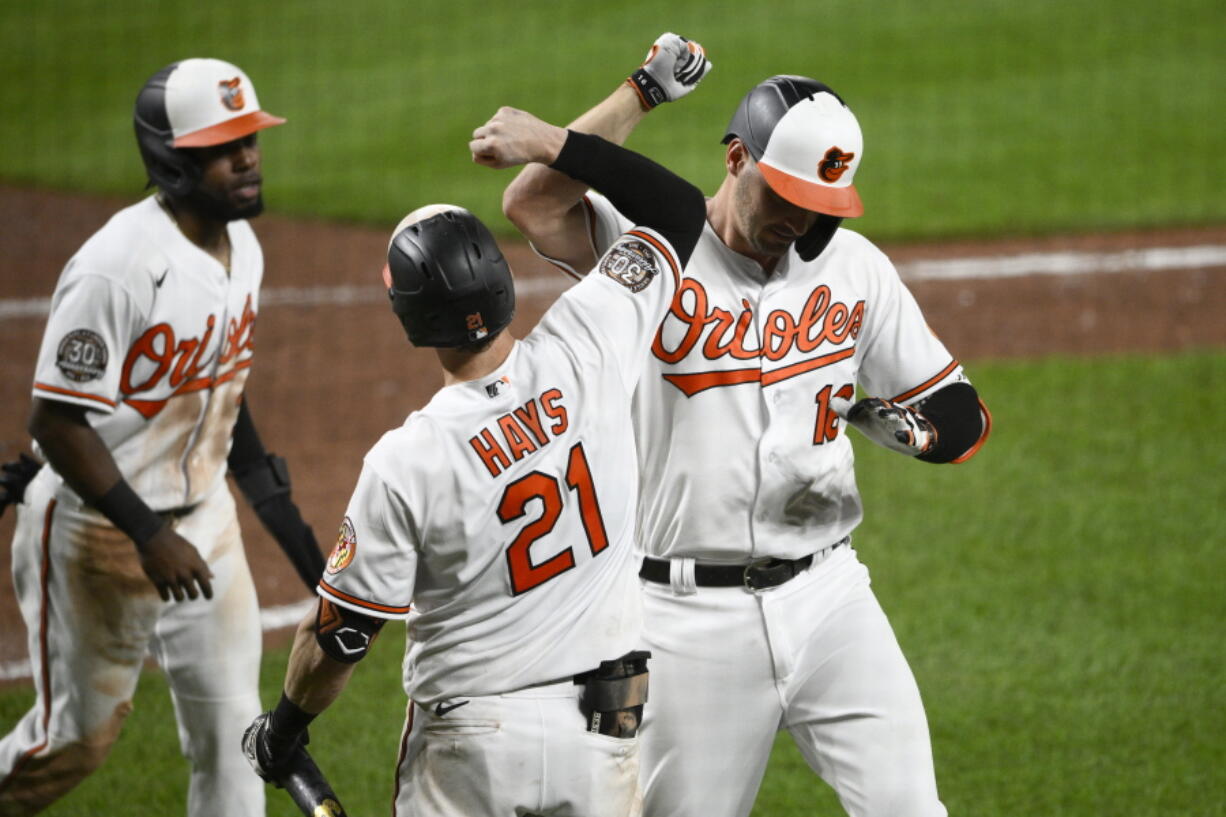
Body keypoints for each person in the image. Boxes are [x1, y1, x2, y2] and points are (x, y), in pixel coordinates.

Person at [501, 34, 991, 817]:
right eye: (786, 194)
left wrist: (921, 433)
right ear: (736, 158)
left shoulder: (853, 269)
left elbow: (960, 407)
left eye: (820, 205)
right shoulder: (653, 254)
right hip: (685, 619)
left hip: (832, 596)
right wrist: (639, 93)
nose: (799, 220)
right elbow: (533, 201)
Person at [241, 106, 708, 817]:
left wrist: (282, 729)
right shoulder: (592, 341)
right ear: (501, 281)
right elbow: (677, 206)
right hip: (603, 737)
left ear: (410, 317)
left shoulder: (407, 459)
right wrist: (559, 139)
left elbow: (339, 634)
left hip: (472, 749)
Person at [0, 58, 324, 816]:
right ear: (173, 160)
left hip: (203, 525)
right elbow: (53, 419)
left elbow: (223, 394)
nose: (247, 158)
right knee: (74, 740)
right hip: (94, 531)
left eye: (250, 139)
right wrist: (147, 533)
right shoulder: (117, 268)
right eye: (223, 147)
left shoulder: (244, 249)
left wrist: (299, 543)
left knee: (237, 736)